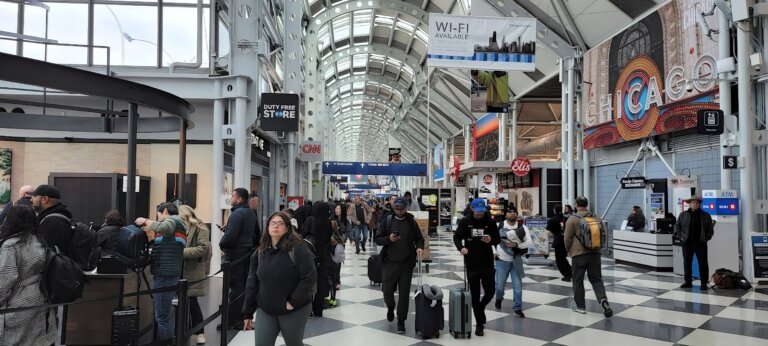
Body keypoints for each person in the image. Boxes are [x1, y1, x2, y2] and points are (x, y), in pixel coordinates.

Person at [243, 212, 317, 346]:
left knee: (293, 344)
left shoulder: (298, 249)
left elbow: (309, 276)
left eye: (280, 223)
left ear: (287, 228)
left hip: (293, 309)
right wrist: (248, 312)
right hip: (266, 308)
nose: (275, 226)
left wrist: (292, 302)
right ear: (267, 227)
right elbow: (252, 283)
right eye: (272, 223)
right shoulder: (260, 252)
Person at [0, 206, 57, 346]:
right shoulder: (39, 241)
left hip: (17, 300)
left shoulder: (11, 245)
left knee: (14, 340)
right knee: (34, 339)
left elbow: (5, 280)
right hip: (38, 296)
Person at [135, 203, 188, 342]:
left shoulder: (173, 221)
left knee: (162, 317)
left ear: (164, 211)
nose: (157, 217)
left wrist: (145, 220)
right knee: (162, 315)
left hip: (165, 275)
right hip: (166, 273)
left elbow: (165, 228)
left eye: (158, 214)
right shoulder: (177, 223)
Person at [375, 197, 425, 334]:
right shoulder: (388, 221)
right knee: (387, 291)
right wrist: (389, 239)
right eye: (396, 208)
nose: (399, 211)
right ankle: (391, 307)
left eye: (401, 208)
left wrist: (419, 247)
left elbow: (419, 238)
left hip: (406, 264)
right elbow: (377, 239)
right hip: (389, 262)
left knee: (404, 294)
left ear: (406, 208)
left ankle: (401, 321)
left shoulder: (411, 222)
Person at [453, 198, 501, 336]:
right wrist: (461, 248)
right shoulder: (465, 222)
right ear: (472, 209)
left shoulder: (490, 222)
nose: (480, 213)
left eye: (482, 211)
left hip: (487, 263)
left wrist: (491, 240)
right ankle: (479, 324)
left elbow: (497, 239)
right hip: (472, 263)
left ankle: (480, 307)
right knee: (474, 294)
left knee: (490, 291)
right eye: (478, 211)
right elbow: (457, 237)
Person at [564, 196, 613, 317]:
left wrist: (568, 250)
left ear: (576, 205)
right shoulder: (596, 217)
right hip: (595, 254)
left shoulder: (572, 219)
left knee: (578, 280)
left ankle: (580, 306)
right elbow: (604, 234)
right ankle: (603, 301)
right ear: (587, 205)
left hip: (578, 254)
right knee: (596, 279)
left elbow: (567, 238)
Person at [219, 187, 257, 329]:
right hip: (246, 252)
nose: (231, 198)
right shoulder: (251, 213)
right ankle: (239, 317)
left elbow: (230, 238)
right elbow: (254, 234)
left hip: (235, 254)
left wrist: (222, 244)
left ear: (239, 199)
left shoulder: (237, 214)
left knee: (235, 287)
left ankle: (233, 319)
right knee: (242, 285)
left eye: (233, 196)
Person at [179, 205, 210, 345]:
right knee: (179, 302)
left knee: (192, 302)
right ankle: (181, 331)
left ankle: (200, 332)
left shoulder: (201, 228)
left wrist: (181, 252)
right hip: (178, 269)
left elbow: (202, 248)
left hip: (192, 269)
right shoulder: (178, 227)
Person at [494, 206, 531, 317]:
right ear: (505, 214)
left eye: (514, 212)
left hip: (516, 260)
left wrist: (516, 244)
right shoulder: (499, 225)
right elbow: (491, 240)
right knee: (499, 287)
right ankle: (499, 298)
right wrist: (494, 252)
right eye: (509, 212)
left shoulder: (522, 227)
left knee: (517, 286)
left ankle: (517, 307)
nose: (512, 213)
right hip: (501, 260)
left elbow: (529, 242)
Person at [674, 195, 714, 290]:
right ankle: (688, 282)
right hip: (687, 242)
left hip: (700, 243)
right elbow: (677, 226)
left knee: (703, 263)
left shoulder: (706, 215)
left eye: (697, 203)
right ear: (689, 204)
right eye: (693, 202)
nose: (695, 204)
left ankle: (704, 284)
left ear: (699, 204)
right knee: (687, 263)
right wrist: (681, 237)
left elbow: (710, 230)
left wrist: (706, 238)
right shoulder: (683, 215)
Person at [304, 202, 333, 317]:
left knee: (308, 281)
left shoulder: (310, 220)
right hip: (322, 254)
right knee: (321, 281)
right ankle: (318, 310)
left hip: (310, 254)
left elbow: (303, 234)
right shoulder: (328, 222)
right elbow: (328, 238)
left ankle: (308, 308)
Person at [32, 184, 73, 252]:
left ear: (45, 199)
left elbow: (49, 254)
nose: (31, 199)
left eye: (34, 196)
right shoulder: (57, 218)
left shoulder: (52, 222)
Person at [546, 205, 571, 281]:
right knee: (563, 258)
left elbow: (549, 232)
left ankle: (567, 274)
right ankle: (570, 272)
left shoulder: (552, 220)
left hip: (558, 241)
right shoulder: (566, 219)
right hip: (566, 241)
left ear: (554, 210)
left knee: (559, 259)